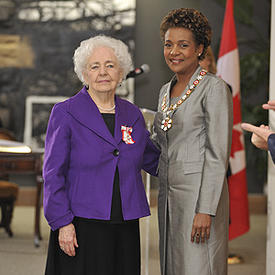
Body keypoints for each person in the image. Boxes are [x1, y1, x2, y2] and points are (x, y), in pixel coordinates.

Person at [43, 35, 160, 275]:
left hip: (125, 223)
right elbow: (53, 174)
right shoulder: (65, 113)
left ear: (121, 73)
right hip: (81, 223)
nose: (103, 72)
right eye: (94, 66)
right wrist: (62, 223)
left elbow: (154, 159)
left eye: (110, 65)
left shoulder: (132, 114)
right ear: (84, 74)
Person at [152, 8, 233, 275]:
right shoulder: (166, 90)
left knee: (199, 267)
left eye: (183, 45)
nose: (174, 51)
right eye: (168, 44)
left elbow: (216, 153)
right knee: (173, 267)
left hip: (199, 200)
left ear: (199, 49)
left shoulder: (214, 88)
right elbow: (161, 141)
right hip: (169, 198)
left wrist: (206, 210)